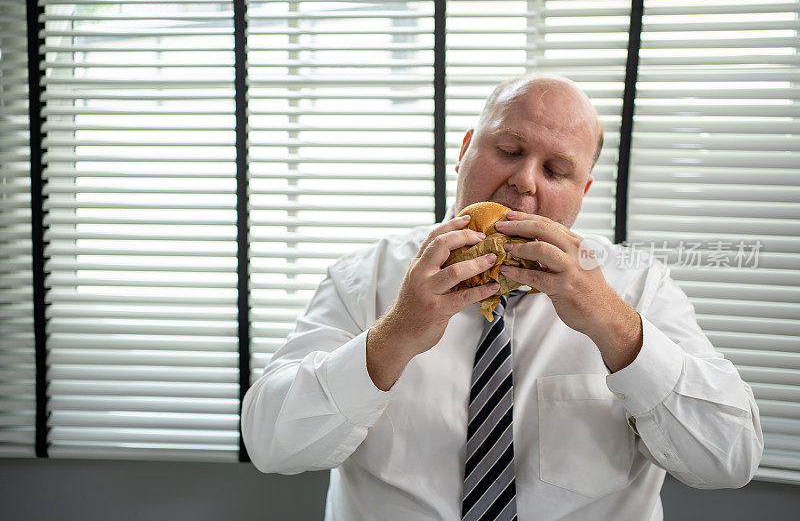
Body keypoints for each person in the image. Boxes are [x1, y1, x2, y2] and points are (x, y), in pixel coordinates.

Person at [240, 74, 764, 520]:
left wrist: (614, 326)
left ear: (583, 192)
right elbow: (271, 444)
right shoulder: (364, 278)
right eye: (509, 151)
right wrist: (394, 335)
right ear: (466, 151)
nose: (523, 182)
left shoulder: (638, 286)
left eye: (556, 170)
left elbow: (729, 459)